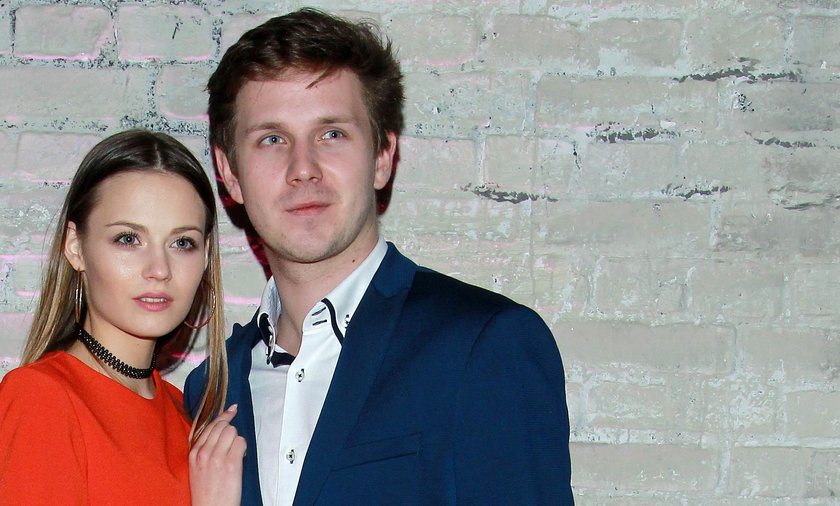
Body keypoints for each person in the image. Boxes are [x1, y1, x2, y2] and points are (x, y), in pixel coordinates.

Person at [184, 8, 573, 505]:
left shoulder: (484, 346)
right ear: (229, 173)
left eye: (331, 134)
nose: (303, 168)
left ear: (383, 157)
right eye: (272, 139)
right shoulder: (209, 392)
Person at [0, 129, 245, 505]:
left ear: (206, 255)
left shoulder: (186, 415)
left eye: (182, 243)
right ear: (76, 246)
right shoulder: (41, 399)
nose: (159, 269)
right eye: (128, 239)